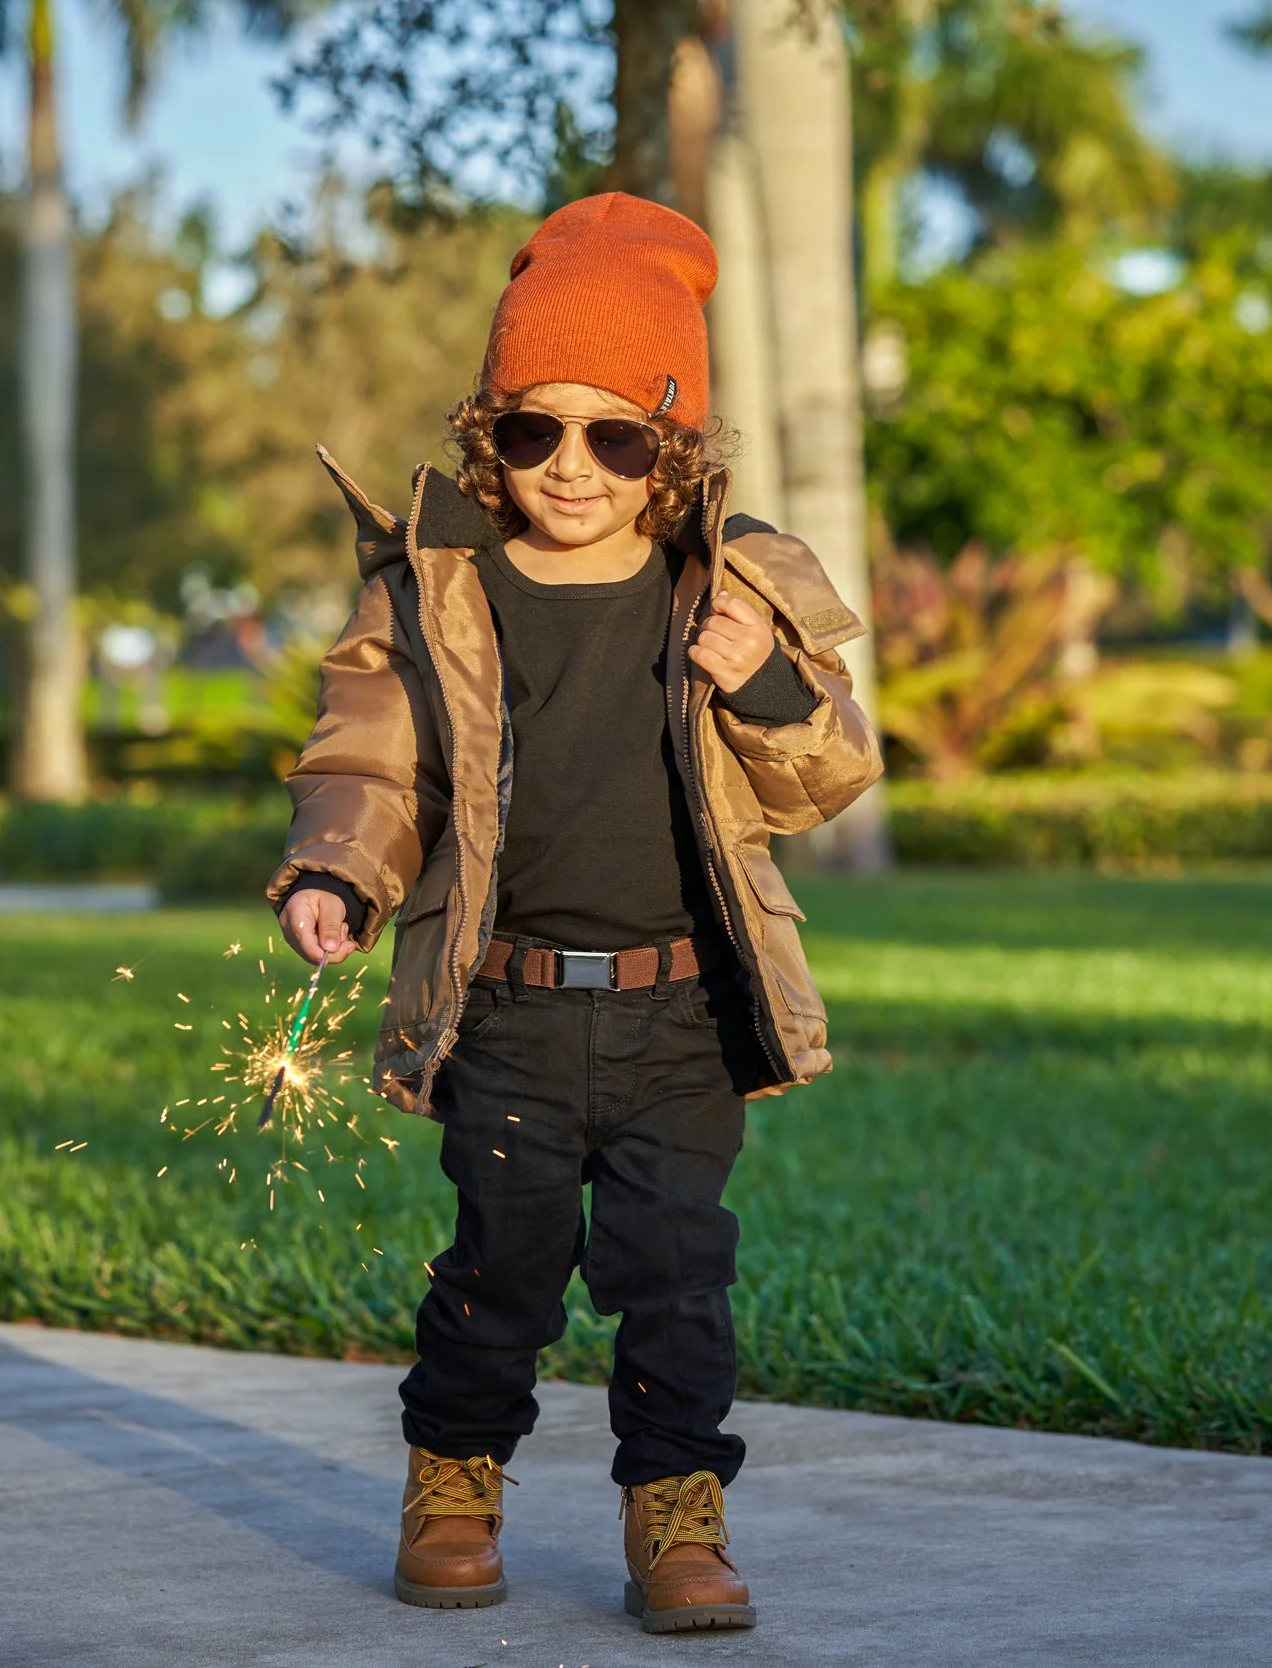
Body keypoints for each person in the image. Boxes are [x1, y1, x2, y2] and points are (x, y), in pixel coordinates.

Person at [269, 191, 884, 1635]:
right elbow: (371, 751)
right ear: (493, 431)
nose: (574, 468)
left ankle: (677, 1517)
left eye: (617, 435)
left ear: (673, 448)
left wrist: (773, 686)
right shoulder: (440, 591)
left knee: (678, 1277)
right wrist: (337, 870)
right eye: (535, 429)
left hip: (681, 1014)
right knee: (501, 1266)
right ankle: (454, 1482)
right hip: (509, 1006)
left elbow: (831, 777)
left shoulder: (726, 590)